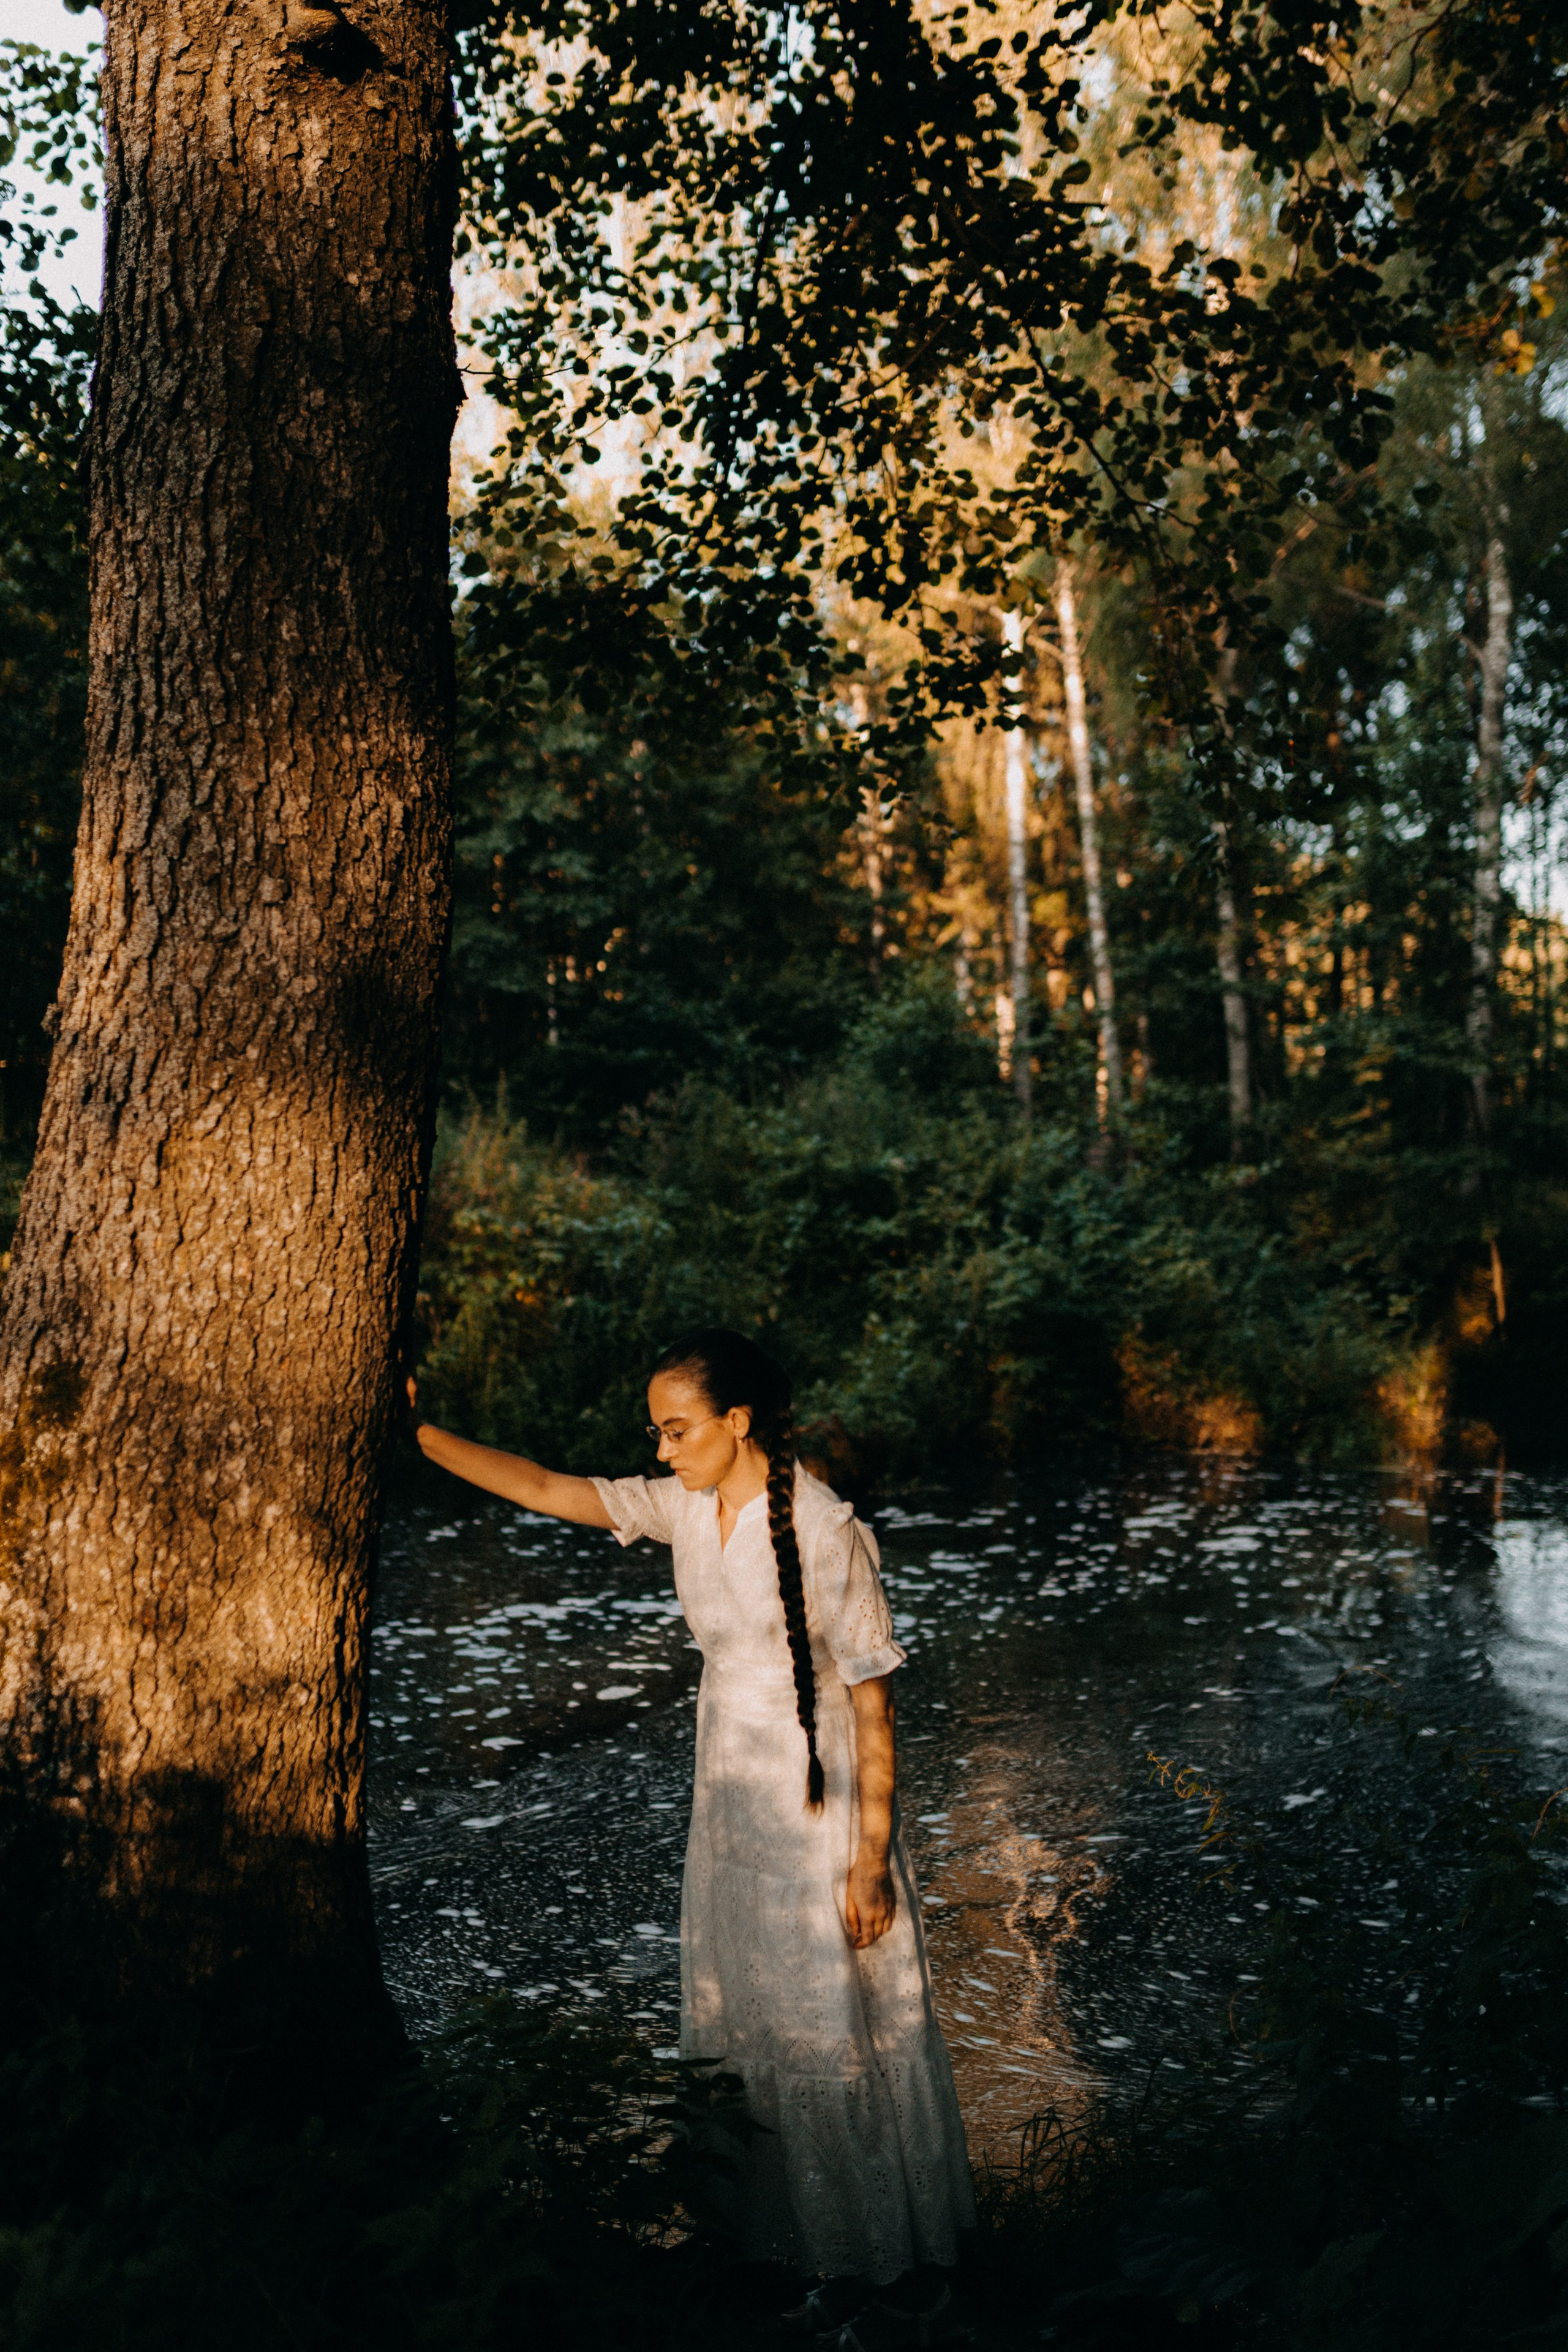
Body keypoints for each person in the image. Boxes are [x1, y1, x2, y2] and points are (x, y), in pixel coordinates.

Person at [410, 1326, 976, 2343]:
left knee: (832, 2026)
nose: (662, 1451)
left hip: (819, 1809)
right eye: (656, 1434)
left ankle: (891, 2280)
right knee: (753, 2016)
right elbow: (548, 1486)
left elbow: (876, 1704)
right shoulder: (685, 1508)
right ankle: (807, 2261)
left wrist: (869, 1859)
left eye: (677, 1431)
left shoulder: (824, 1527)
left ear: (737, 1422)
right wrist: (418, 1435)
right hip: (733, 1805)